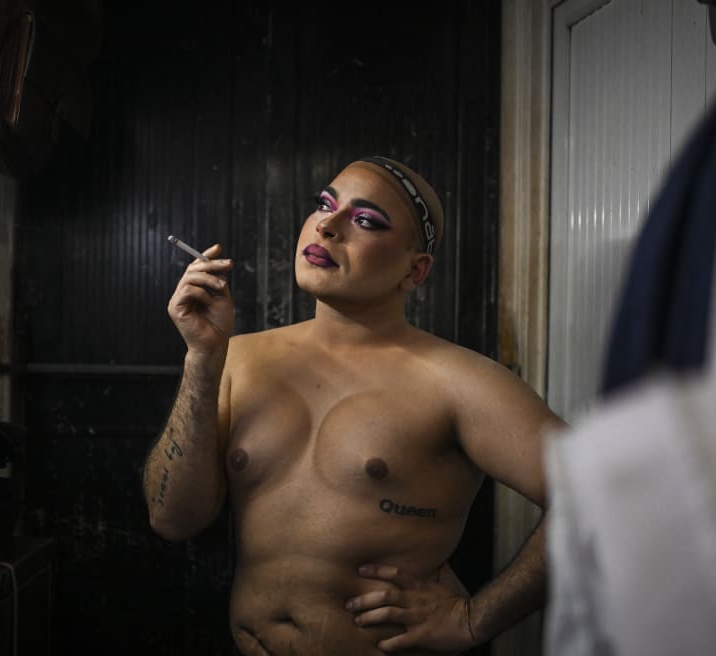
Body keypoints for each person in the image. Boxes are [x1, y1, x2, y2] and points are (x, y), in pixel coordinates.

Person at [143, 156, 564, 655]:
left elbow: (603, 493)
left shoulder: (459, 382)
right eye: (325, 204)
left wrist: (473, 620)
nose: (327, 225)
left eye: (365, 220)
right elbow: (173, 520)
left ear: (415, 270)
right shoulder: (237, 357)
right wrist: (201, 359)